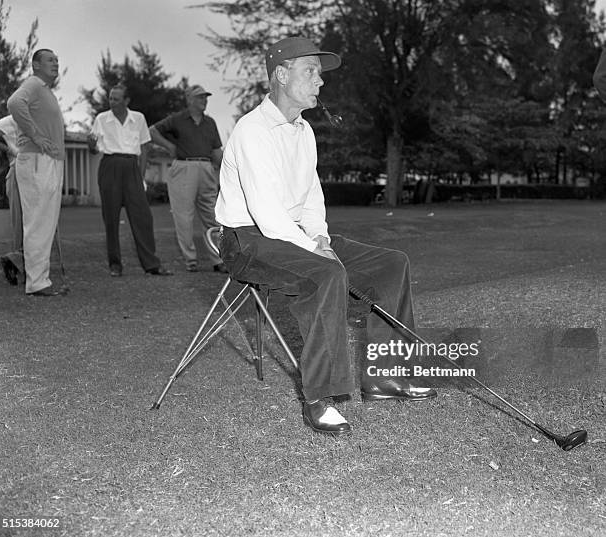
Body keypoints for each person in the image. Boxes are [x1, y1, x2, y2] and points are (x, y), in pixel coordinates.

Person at [215, 37, 436, 436]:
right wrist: (319, 253)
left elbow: (311, 199)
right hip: (247, 240)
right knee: (327, 274)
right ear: (281, 75)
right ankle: (321, 398)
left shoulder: (304, 131)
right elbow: (267, 217)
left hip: (293, 234)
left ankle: (385, 377)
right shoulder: (252, 131)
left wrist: (322, 239)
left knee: (391, 264)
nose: (320, 82)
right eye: (310, 71)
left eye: (319, 73)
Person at [87, 85, 172, 277]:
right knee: (111, 218)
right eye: (110, 98)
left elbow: (145, 148)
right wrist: (90, 146)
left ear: (126, 101)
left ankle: (152, 264)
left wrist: (140, 176)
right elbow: (94, 149)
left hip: (132, 167)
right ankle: (115, 265)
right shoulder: (102, 119)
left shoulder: (139, 118)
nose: (112, 102)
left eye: (116, 98)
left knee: (143, 216)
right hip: (110, 165)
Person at [149, 85, 227, 273]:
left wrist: (225, 172)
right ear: (189, 99)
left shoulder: (210, 123)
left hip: (206, 168)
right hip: (184, 167)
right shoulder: (177, 119)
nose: (204, 100)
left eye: (205, 97)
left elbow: (217, 151)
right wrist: (169, 146)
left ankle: (218, 259)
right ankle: (190, 260)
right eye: (200, 97)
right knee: (183, 216)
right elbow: (152, 131)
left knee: (212, 216)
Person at [7, 49, 65, 297]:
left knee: (44, 222)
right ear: (36, 64)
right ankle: (37, 282)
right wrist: (36, 136)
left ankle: (39, 279)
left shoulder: (44, 90)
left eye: (57, 60)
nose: (56, 63)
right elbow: (13, 103)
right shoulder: (33, 84)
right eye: (50, 60)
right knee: (39, 222)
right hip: (37, 160)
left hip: (48, 160)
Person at [0, 115, 24, 285]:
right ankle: (19, 263)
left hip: (38, 173)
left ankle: (18, 261)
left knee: (36, 223)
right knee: (20, 223)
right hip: (18, 171)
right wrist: (10, 150)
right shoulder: (12, 120)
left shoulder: (41, 117)